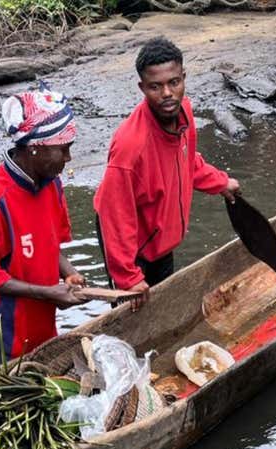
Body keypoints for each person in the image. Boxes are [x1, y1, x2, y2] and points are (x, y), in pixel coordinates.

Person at [93, 36, 240, 309]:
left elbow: (188, 162)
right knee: (133, 310)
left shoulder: (184, 113)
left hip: (160, 236)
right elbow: (113, 215)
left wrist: (221, 182)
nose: (167, 94)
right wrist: (128, 276)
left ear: (183, 77)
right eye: (155, 87)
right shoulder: (130, 146)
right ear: (142, 88)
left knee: (162, 303)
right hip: (131, 243)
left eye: (174, 82)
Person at [0, 83, 88, 359]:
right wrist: (49, 293)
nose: (68, 158)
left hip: (37, 324)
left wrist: (69, 273)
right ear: (34, 149)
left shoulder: (51, 185)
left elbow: (50, 246)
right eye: (62, 150)